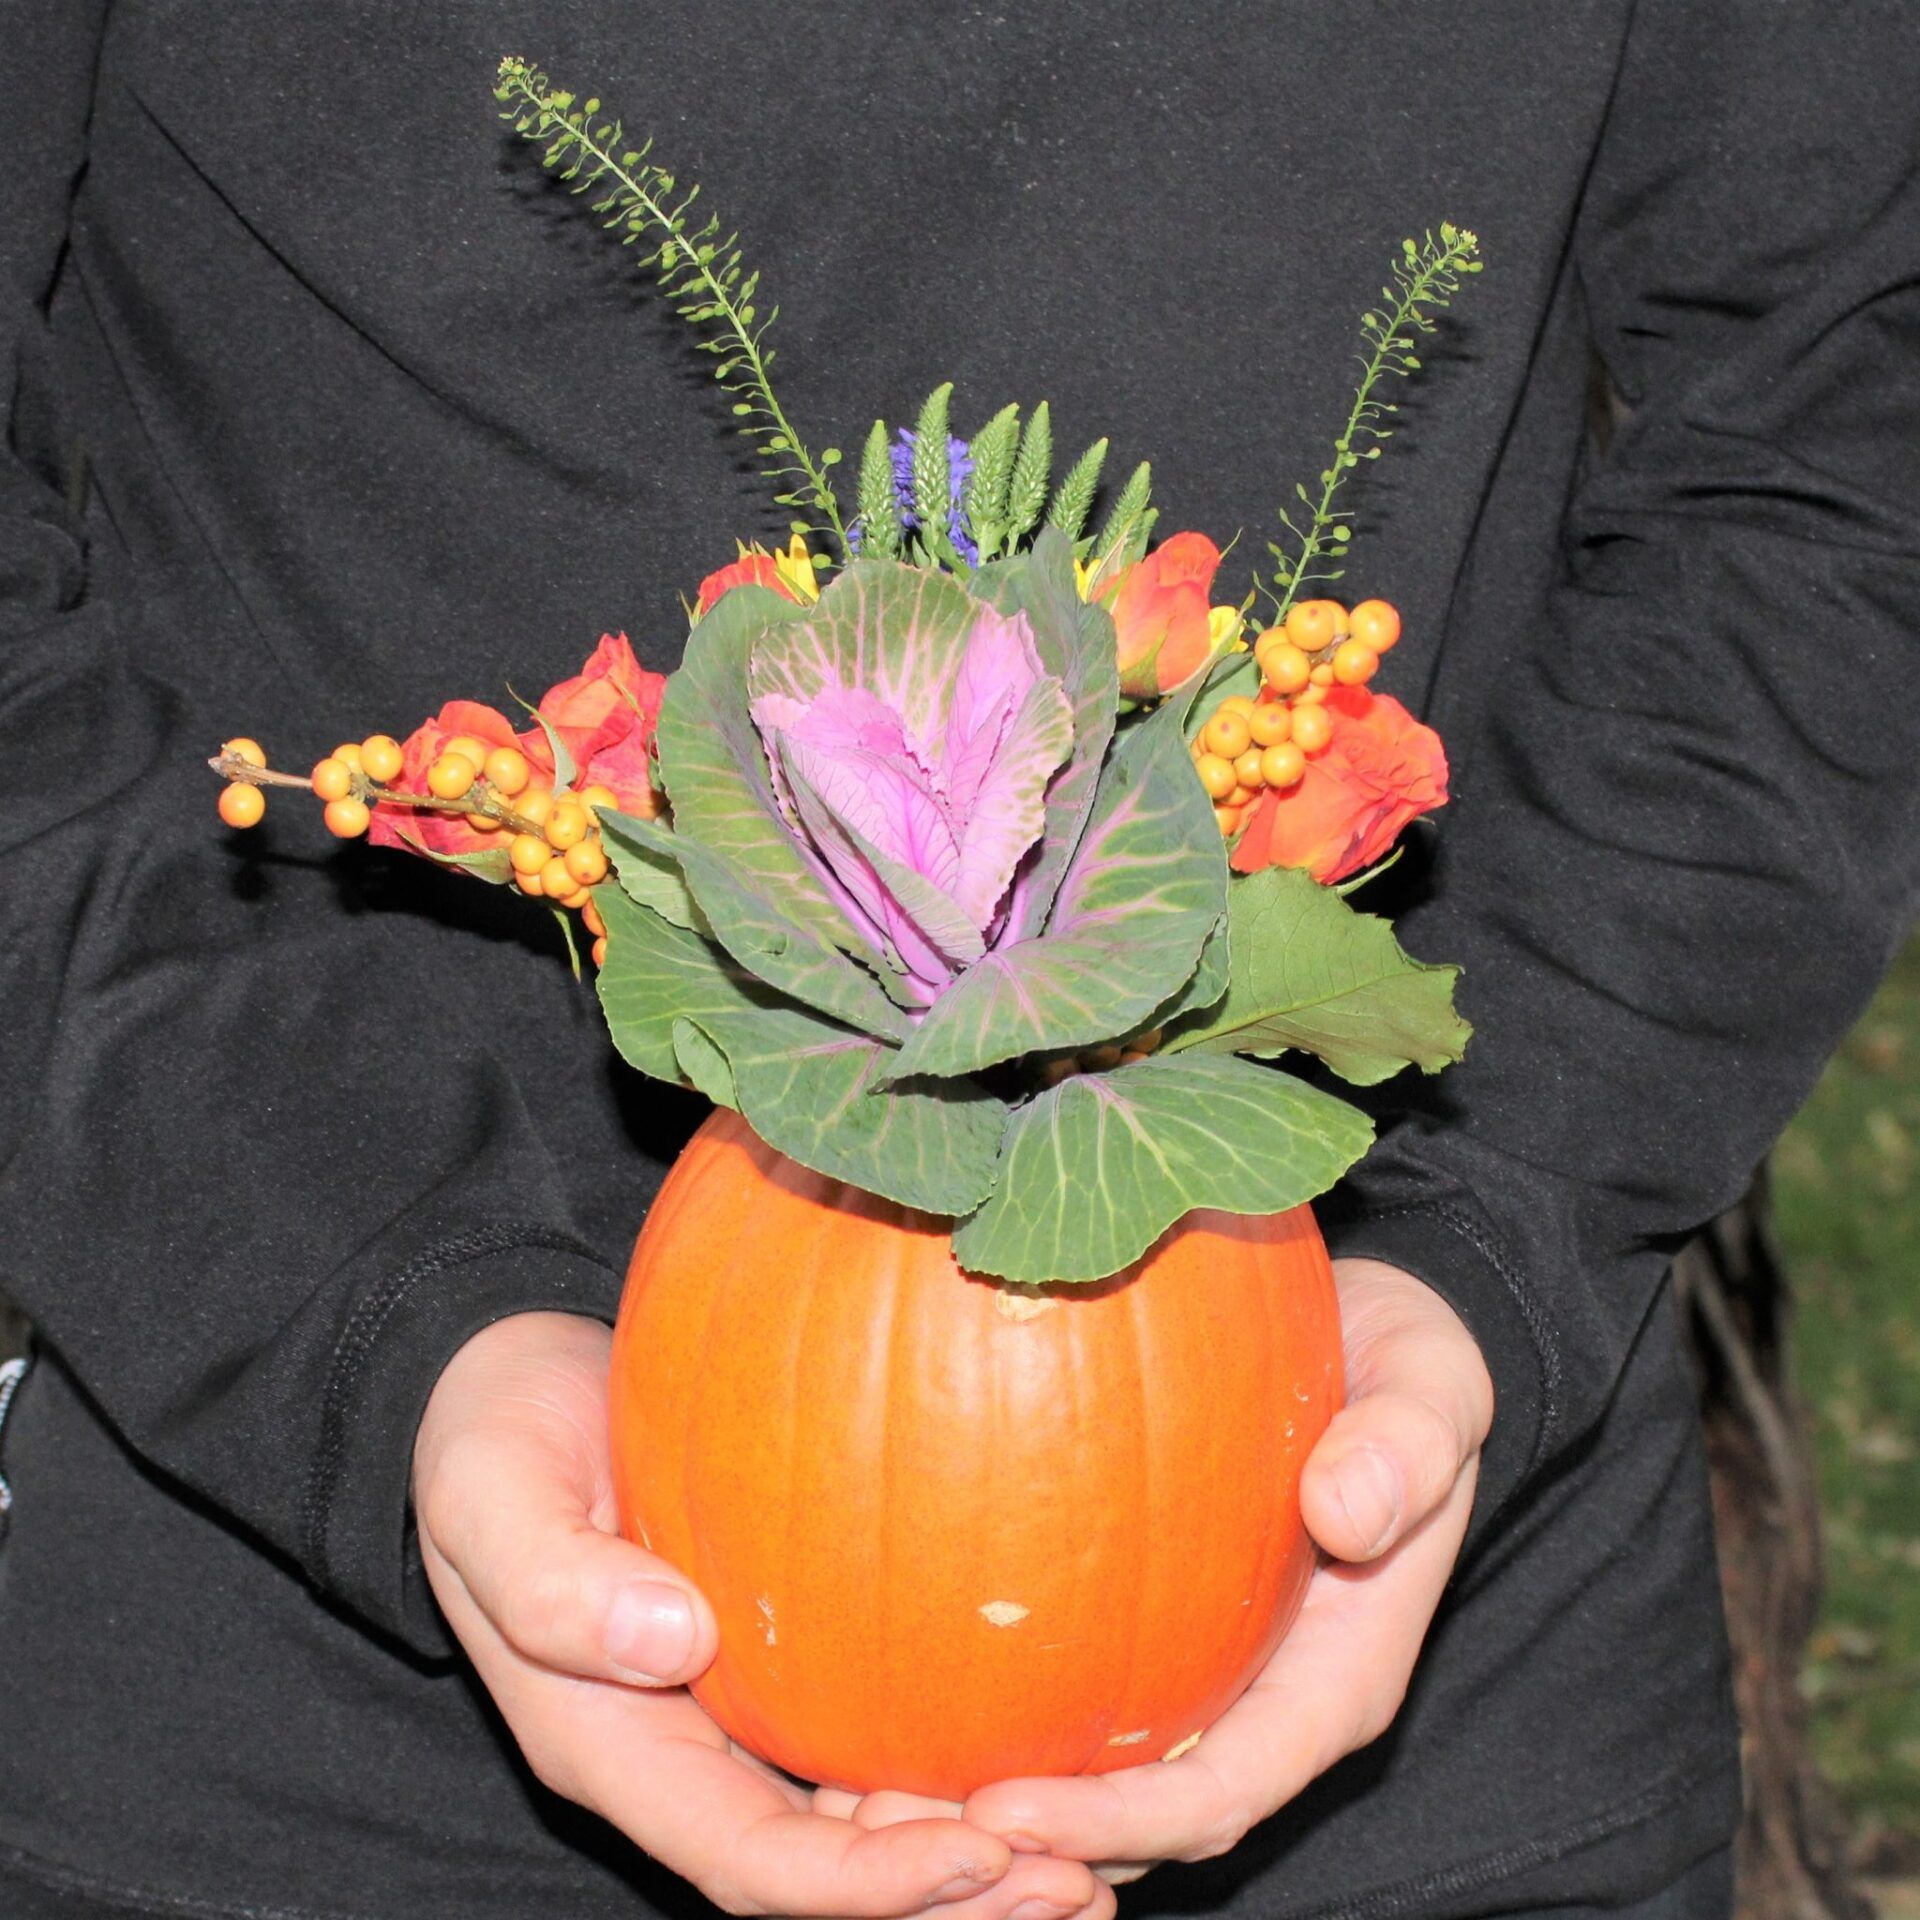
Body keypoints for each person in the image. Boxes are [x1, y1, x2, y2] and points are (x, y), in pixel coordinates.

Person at [2, 5, 1914, 1917]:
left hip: (1410, 1636)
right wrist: (377, 1312)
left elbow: (1844, 426)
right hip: (291, 1732)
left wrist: (1503, 1224)